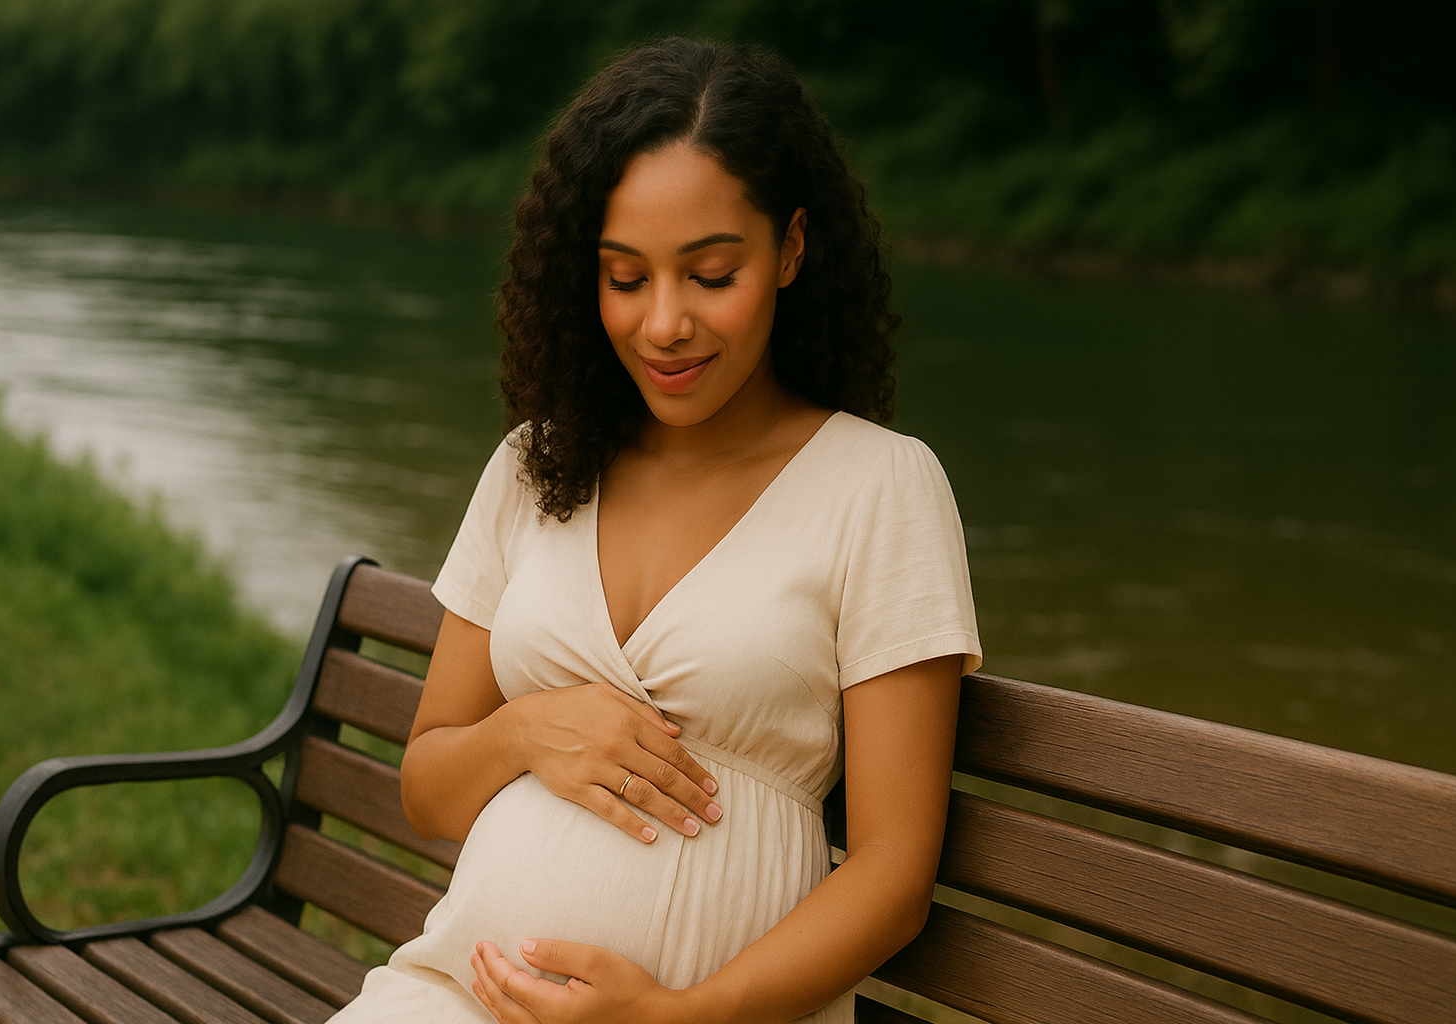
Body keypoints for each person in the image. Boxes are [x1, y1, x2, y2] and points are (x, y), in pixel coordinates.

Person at [330, 36, 979, 1024]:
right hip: (449, 997)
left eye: (711, 274)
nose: (664, 323)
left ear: (791, 250)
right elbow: (427, 790)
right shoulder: (536, 466)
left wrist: (676, 1014)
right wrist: (521, 731)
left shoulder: (879, 487)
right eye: (625, 279)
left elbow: (892, 874)